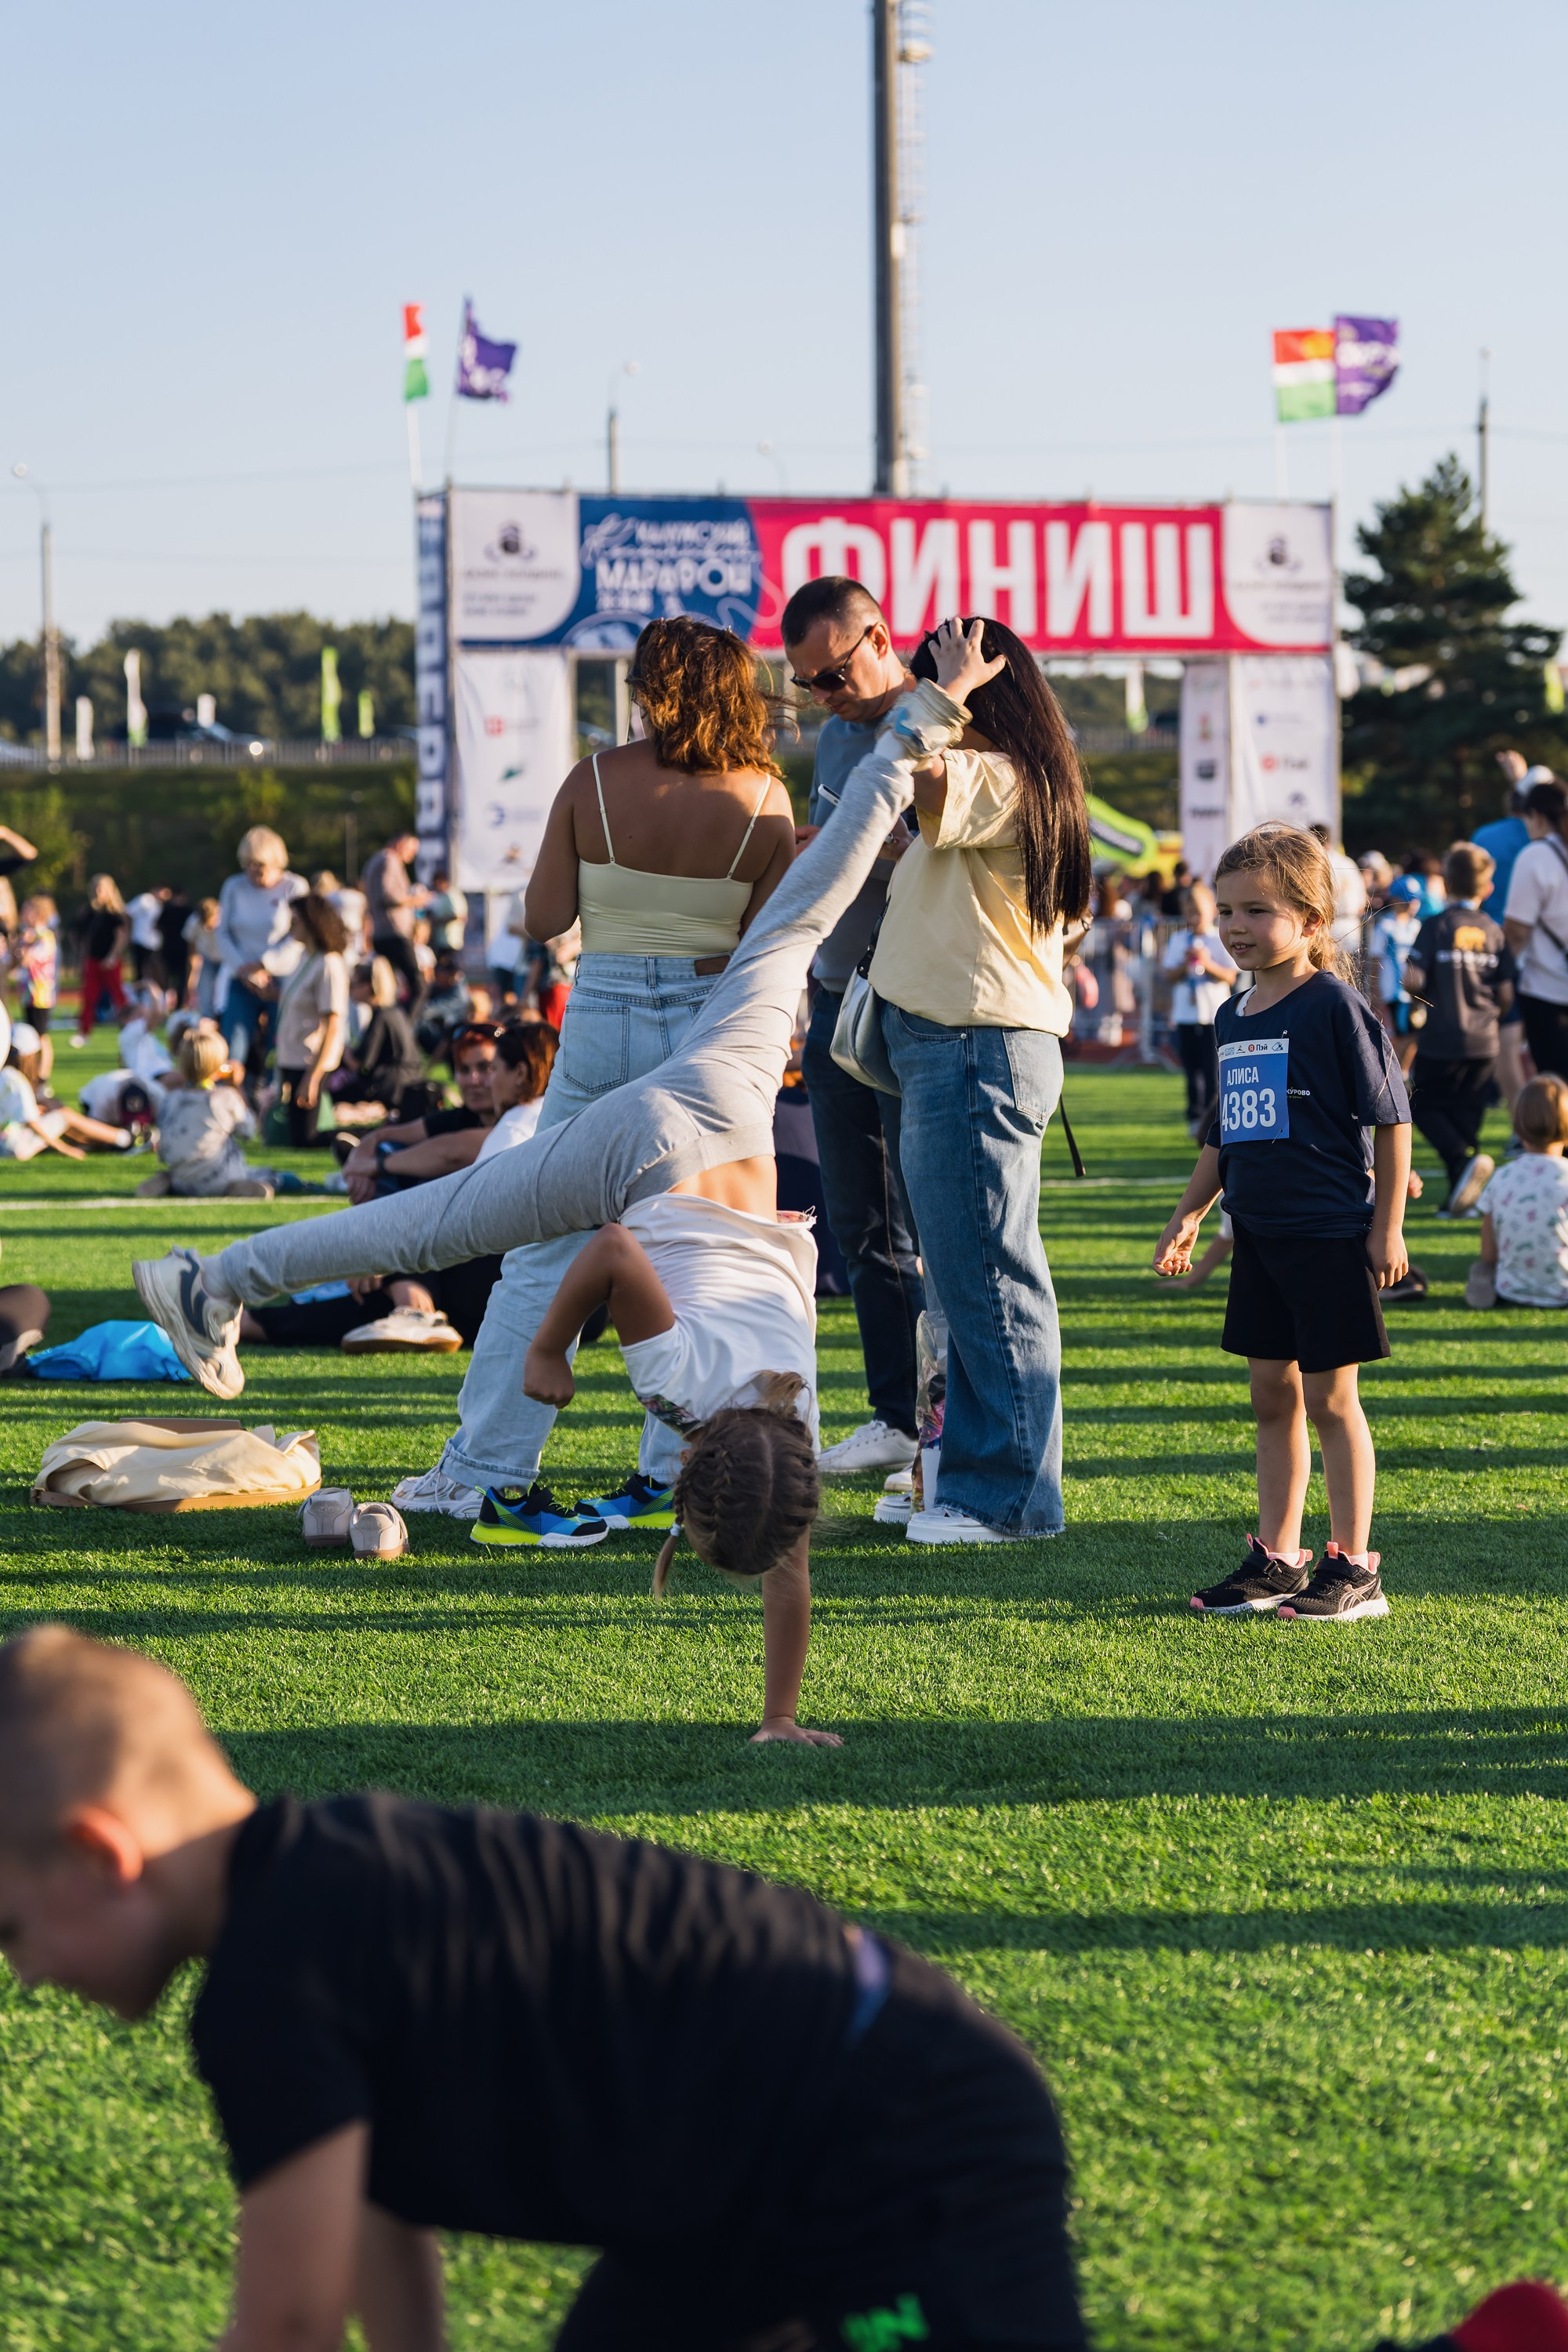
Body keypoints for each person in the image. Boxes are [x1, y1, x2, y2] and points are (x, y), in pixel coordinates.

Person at [132, 639, 984, 1713]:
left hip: (723, 1085)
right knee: (434, 1227)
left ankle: (341, 1368)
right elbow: (619, 1252)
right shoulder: (683, 1397)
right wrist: (549, 1354)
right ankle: (216, 1283)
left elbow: (824, 870)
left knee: (818, 894)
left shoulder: (796, 1428)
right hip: (670, 1131)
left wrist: (927, 716)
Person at [0, 1626, 1087, 2352]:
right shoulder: (313, 1896)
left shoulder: (269, 1980)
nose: (26, 1972)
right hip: (734, 2192)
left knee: (898, 2325)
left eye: (12, 1930)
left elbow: (285, 2325)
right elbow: (367, 2203)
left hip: (901, 2143)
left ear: (103, 1853)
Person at [389, 612, 795, 1525]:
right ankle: (678, 1469)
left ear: (652, 689)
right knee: (699, 1249)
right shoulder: (765, 797)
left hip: (604, 1007)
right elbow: (762, 940)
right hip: (709, 1021)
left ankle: (486, 1464)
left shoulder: (594, 781)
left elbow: (541, 918)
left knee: (544, 1244)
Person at [868, 619, 1092, 1545]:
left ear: (978, 694)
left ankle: (1005, 1500)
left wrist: (941, 695)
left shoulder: (997, 776)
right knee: (965, 1282)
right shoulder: (1011, 784)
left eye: (941, 685)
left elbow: (918, 768)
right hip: (960, 1048)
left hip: (972, 1048)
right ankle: (960, 1475)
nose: (916, 702)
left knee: (989, 1279)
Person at [1153, 823, 1410, 1624]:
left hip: (1329, 1230)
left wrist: (1387, 1228)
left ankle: (1353, 1565)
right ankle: (1277, 1558)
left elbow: (1389, 1119)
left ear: (1309, 920)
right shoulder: (1231, 1014)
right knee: (1270, 1394)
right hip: (1257, 1235)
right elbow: (1223, 1133)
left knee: (1331, 1400)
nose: (1234, 926)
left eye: (1255, 910)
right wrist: (1188, 1214)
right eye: (1224, 910)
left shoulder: (1335, 1006)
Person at [781, 575, 927, 1478]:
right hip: (836, 997)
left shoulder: (941, 719)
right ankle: (895, 1418)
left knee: (930, 1223)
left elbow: (961, 865)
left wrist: (871, 839)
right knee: (858, 1223)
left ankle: (940, 1429)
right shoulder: (836, 736)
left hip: (916, 994)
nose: (825, 697)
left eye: (833, 675)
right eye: (807, 684)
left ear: (880, 636)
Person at [1403, 842, 1514, 1216]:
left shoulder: (1436, 926)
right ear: (1488, 888)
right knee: (1467, 1119)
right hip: (1485, 1042)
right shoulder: (1495, 931)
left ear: (1445, 884)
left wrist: (1419, 996)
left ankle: (1462, 1163)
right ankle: (1460, 1202)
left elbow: (1412, 978)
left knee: (1420, 1105)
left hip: (1442, 1037)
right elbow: (1506, 992)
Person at [337, 1017, 501, 1199]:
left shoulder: (520, 1116)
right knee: (389, 1156)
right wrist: (359, 1163)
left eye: (486, 1068)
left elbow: (451, 1153)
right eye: (463, 1070)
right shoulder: (465, 1115)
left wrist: (377, 1166)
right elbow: (384, 1134)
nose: (473, 1080)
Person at [1465, 1073, 1568, 1310]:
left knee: (1481, 1269)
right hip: (1563, 1292)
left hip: (1511, 1290)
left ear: (1518, 1126)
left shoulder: (1502, 1176)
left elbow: (1489, 1253)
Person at [213, 826, 307, 1077]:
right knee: (233, 1047)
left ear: (277, 862)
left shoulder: (295, 887)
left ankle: (273, 1102)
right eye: (248, 865)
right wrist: (244, 969)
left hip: (283, 979)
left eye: (260, 865)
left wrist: (265, 965)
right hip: (241, 978)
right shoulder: (233, 887)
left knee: (279, 1048)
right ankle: (230, 1101)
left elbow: (299, 935)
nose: (254, 872)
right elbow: (222, 933)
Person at [145, 1029, 273, 1200]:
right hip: (218, 1176)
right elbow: (248, 1131)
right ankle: (235, 1187)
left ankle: (168, 1182)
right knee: (272, 1175)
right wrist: (237, 1087)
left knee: (185, 1167)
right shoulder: (225, 1097)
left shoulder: (170, 1099)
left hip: (181, 1177)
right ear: (220, 1067)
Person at [271, 892, 351, 1148]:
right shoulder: (306, 958)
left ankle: (365, 1137)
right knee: (295, 1137)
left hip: (310, 1062)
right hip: (293, 1058)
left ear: (313, 923)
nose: (291, 926)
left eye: (296, 920)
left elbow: (333, 1025)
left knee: (307, 1138)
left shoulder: (329, 964)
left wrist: (313, 1077)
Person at [1503, 775, 1568, 1084]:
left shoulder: (1535, 857)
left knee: (1556, 1085)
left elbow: (1516, 931)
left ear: (1537, 816)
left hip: (1547, 989)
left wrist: (1501, 975)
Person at [1160, 881, 1236, 1137]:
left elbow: (1230, 975)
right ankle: (1194, 1117)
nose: (1193, 919)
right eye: (1188, 913)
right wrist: (1185, 963)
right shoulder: (1179, 939)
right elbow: (1169, 974)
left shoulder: (1217, 939)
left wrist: (1207, 963)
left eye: (1198, 913)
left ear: (1211, 912)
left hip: (1213, 1014)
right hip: (1186, 1014)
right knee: (1191, 1071)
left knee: (1212, 1070)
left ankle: (1214, 1119)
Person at [0, 1025, 133, 1160]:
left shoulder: (5, 1075)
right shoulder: (16, 1080)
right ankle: (126, 1138)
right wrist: (64, 1149)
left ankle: (103, 1142)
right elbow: (30, 1122)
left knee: (51, 1108)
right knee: (65, 1115)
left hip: (7, 1140)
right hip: (12, 1146)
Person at [326, 958, 424, 1122]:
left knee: (334, 1094)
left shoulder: (381, 1017)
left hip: (390, 1087)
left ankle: (372, 1111)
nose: (350, 990)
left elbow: (360, 1063)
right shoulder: (394, 1012)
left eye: (353, 984)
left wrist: (341, 1048)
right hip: (407, 1080)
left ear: (367, 987)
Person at [361, 829, 426, 1009]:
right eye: (411, 850)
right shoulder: (389, 860)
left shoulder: (375, 860)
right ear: (400, 844)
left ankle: (390, 1029)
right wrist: (415, 900)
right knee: (418, 986)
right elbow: (389, 896)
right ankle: (403, 1031)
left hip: (382, 932)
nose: (412, 856)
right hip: (394, 933)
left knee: (387, 988)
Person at [1368, 874, 1425, 1073]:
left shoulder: (1417, 926)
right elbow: (1376, 959)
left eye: (1416, 900)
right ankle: (1396, 1072)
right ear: (1396, 900)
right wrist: (1375, 991)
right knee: (1400, 1034)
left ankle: (1403, 1072)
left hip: (1413, 991)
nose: (1412, 904)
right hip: (1393, 990)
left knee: (1414, 1032)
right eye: (1407, 899)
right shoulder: (1385, 926)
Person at [69, 873, 129, 1044]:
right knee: (89, 997)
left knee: (119, 997)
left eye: (101, 888)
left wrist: (112, 956)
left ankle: (128, 1027)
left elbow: (121, 937)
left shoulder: (115, 913)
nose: (98, 892)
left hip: (110, 961)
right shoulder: (88, 912)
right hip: (93, 960)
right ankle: (84, 1032)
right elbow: (78, 935)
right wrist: (81, 957)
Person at [14, 894, 58, 1080]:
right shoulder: (30, 935)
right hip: (29, 994)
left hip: (40, 995)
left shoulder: (44, 936)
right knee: (32, 1035)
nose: (23, 913)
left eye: (27, 910)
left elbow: (25, 960)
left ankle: (43, 1076)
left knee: (41, 1036)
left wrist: (21, 946)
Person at [183, 895, 223, 1018]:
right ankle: (207, 1020)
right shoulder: (193, 922)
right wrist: (190, 981)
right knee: (204, 992)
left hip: (227, 961)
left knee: (224, 993)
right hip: (208, 958)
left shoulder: (227, 917)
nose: (208, 928)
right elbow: (192, 954)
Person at [124, 884, 169, 988]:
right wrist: (128, 933)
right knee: (140, 970)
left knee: (155, 970)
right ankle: (140, 995)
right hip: (140, 941)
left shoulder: (159, 906)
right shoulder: (145, 899)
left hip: (153, 944)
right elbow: (128, 912)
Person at [157, 885, 194, 1007]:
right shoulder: (169, 910)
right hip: (170, 950)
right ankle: (165, 1005)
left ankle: (178, 1005)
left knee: (181, 980)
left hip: (181, 950)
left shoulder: (186, 911)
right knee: (167, 979)